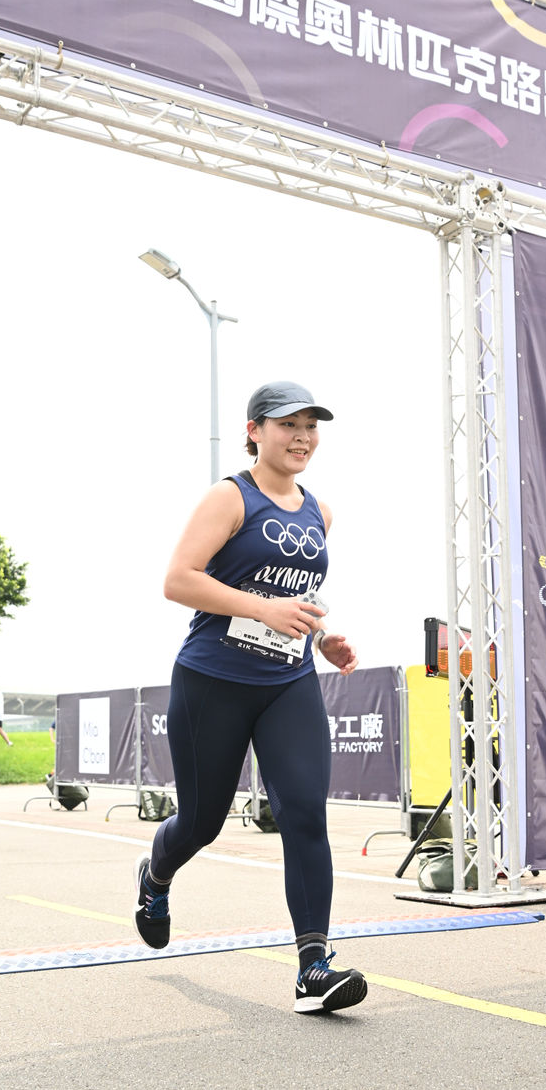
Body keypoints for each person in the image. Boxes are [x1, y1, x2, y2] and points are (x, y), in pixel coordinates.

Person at [133, 381, 366, 1015]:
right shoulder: (230, 497)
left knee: (305, 813)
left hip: (288, 682)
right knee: (201, 822)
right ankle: (156, 874)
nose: (302, 437)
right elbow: (178, 580)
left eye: (311, 426)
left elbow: (293, 596)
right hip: (214, 681)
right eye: (288, 424)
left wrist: (321, 636)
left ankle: (313, 967)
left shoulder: (320, 512)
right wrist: (265, 608)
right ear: (254, 431)